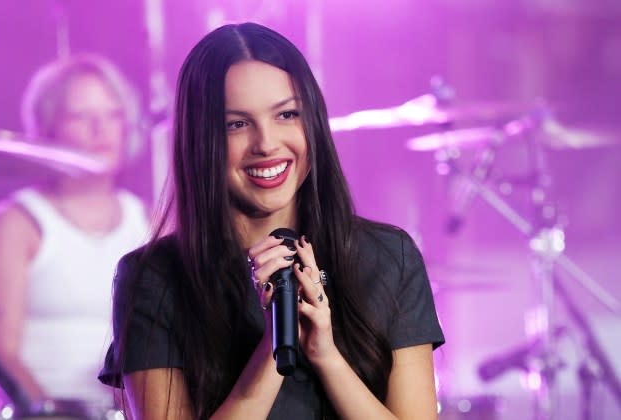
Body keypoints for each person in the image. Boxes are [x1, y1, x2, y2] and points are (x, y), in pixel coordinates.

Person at [99, 22, 444, 419]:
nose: (266, 143)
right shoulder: (155, 277)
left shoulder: (388, 256)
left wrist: (326, 356)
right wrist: (273, 352)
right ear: (201, 139)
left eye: (286, 114)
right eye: (237, 124)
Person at [0, 54, 150, 415]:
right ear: (46, 128)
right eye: (81, 116)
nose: (101, 129)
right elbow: (2, 349)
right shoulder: (16, 223)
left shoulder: (151, 220)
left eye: (113, 115)